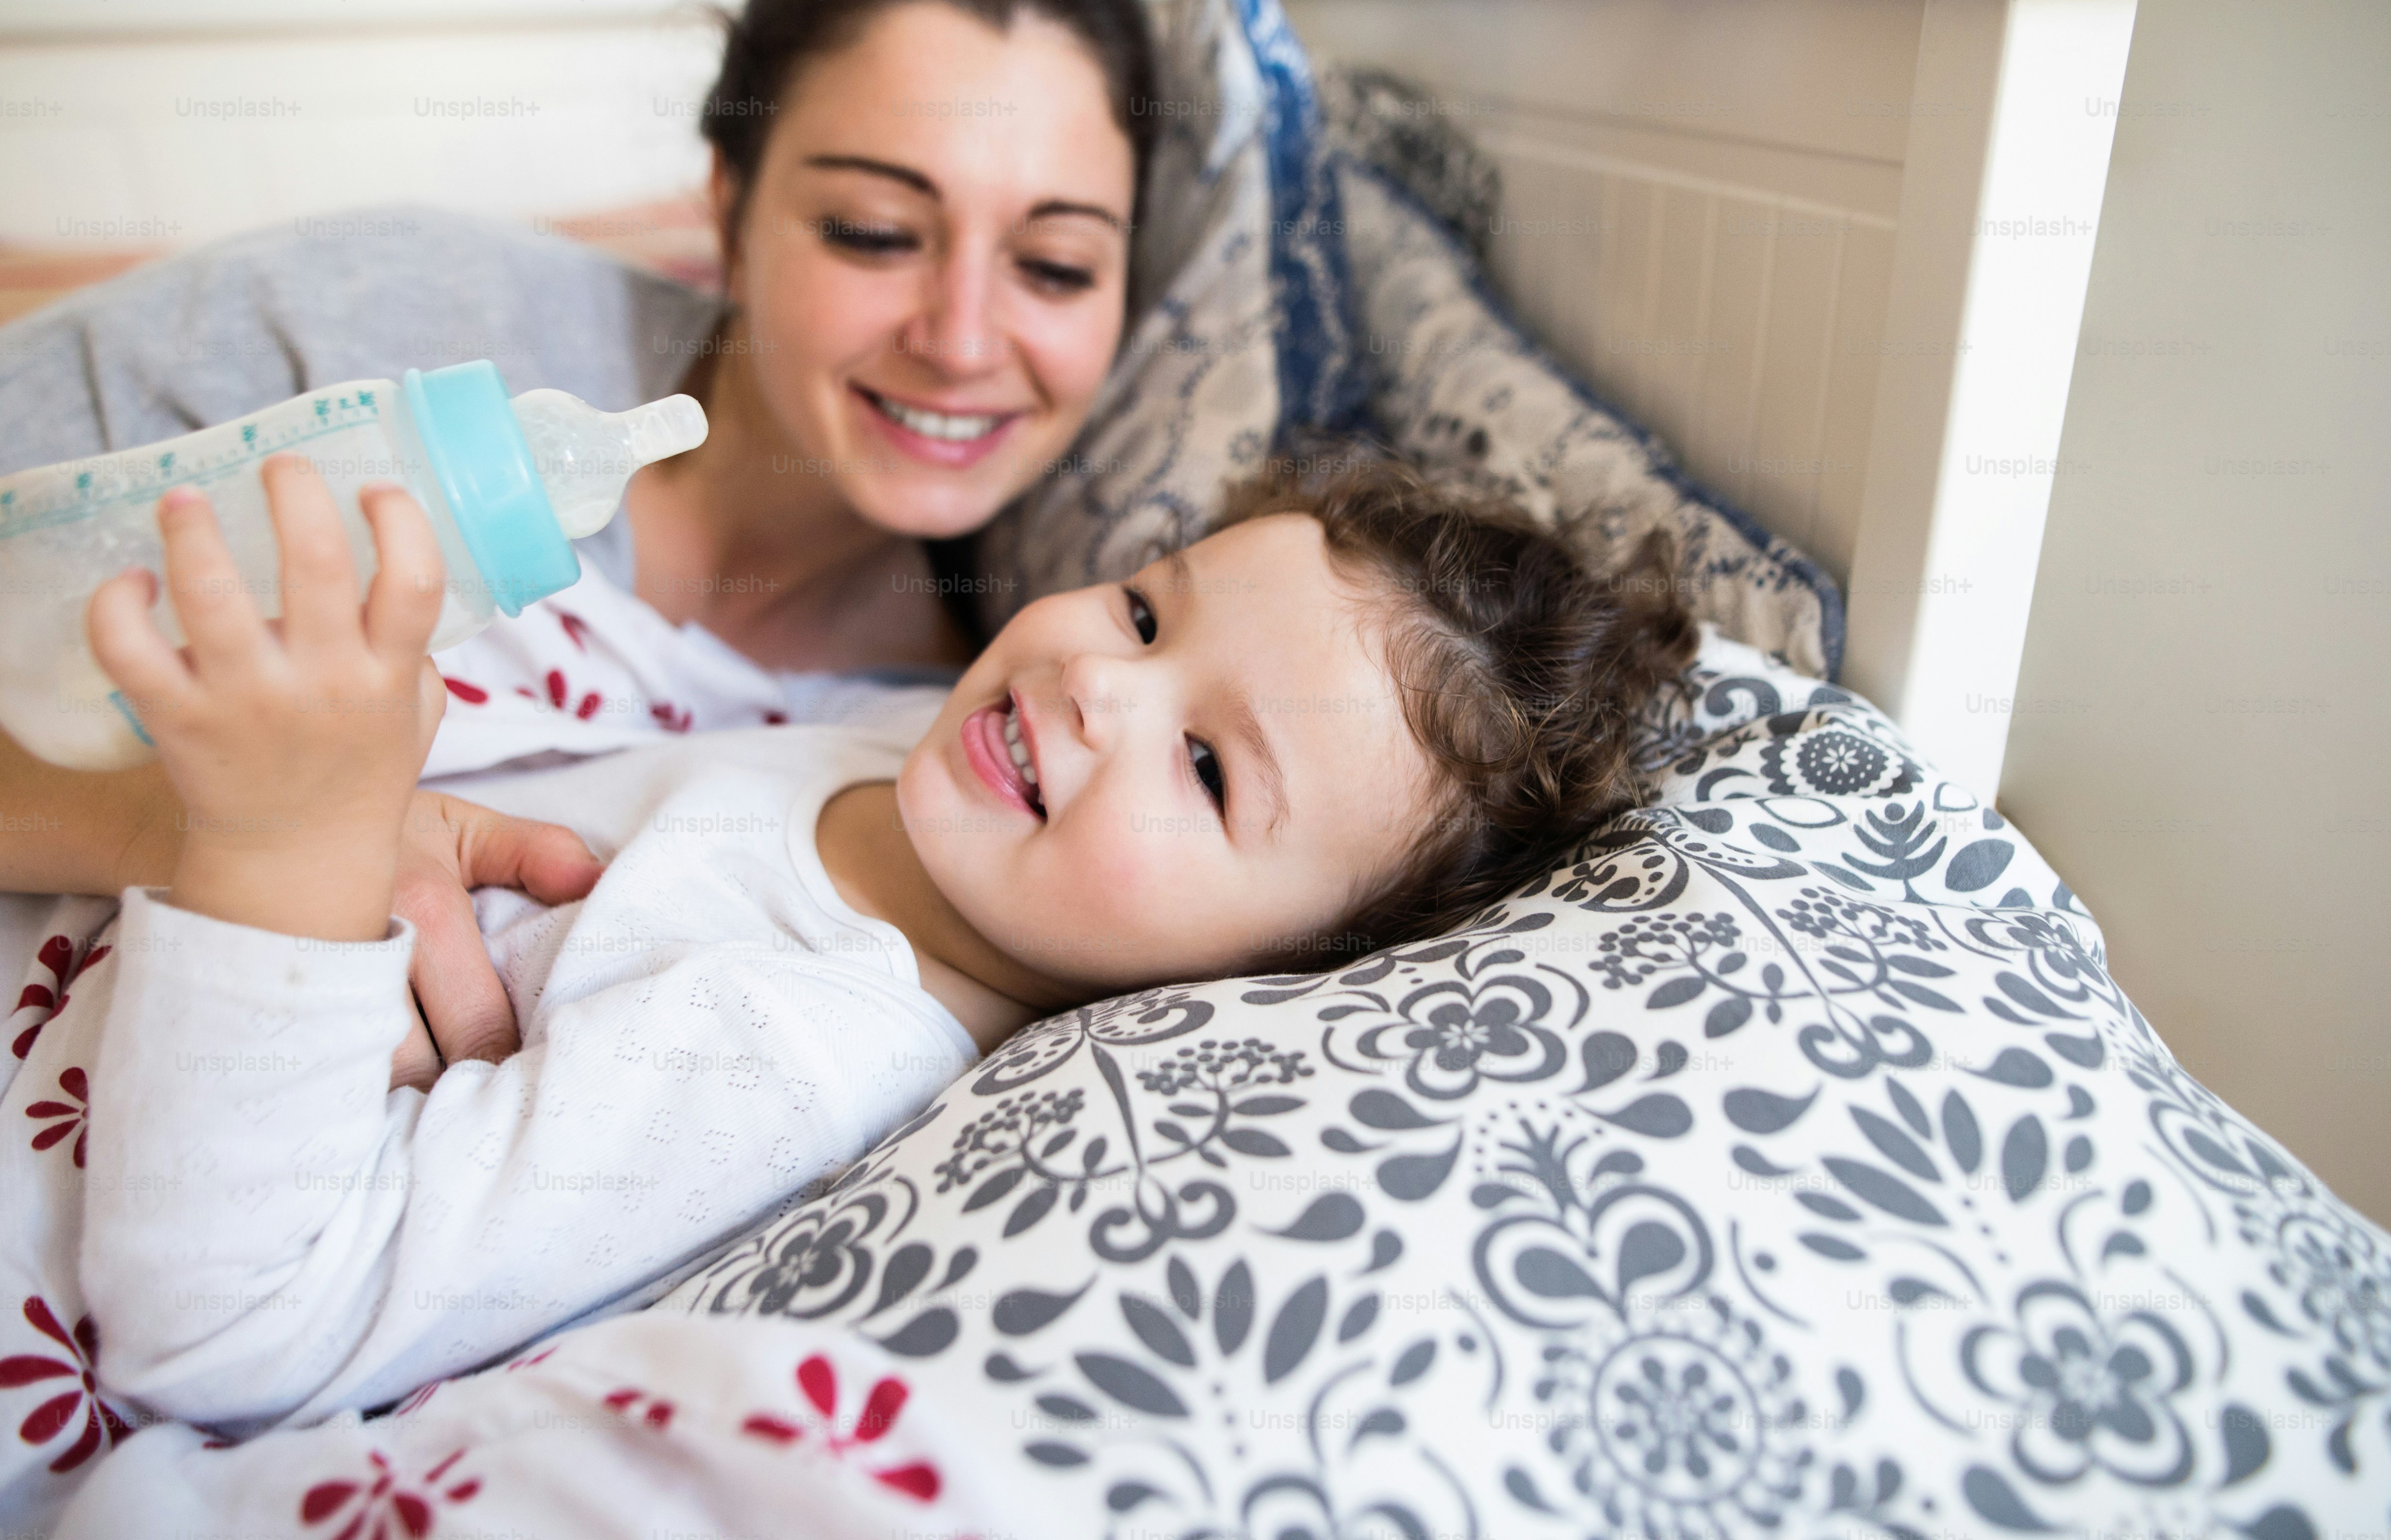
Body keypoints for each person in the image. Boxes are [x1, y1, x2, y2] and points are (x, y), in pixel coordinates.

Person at [0, 445, 1692, 1517]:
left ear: (1261, 978)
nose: (1099, 687)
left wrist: (290, 851)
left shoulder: (783, 1052)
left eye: (1205, 773)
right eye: (1143, 609)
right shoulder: (917, 746)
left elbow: (226, 1332)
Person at [0, 0, 1160, 1083]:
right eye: (873, 231)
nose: (960, 342)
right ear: (730, 206)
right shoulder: (394, 338)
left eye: (1056, 265)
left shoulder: (992, 758)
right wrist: (241, 832)